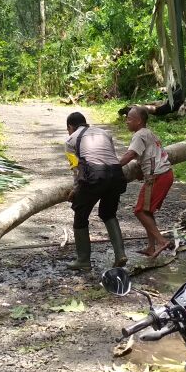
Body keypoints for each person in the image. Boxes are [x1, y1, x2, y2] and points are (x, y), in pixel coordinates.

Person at [64, 112, 128, 270]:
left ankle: (83, 260)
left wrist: (75, 190)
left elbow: (77, 169)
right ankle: (120, 254)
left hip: (95, 175)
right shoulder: (104, 133)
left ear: (70, 127)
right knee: (108, 213)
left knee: (80, 214)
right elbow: (111, 156)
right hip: (116, 174)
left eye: (68, 129)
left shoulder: (71, 139)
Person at [120, 106, 174, 258]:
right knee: (147, 210)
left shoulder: (139, 135)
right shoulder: (148, 132)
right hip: (164, 174)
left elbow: (130, 154)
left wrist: (113, 166)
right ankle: (151, 247)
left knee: (140, 211)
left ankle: (161, 241)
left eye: (129, 119)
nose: (126, 121)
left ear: (138, 121)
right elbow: (147, 157)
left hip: (157, 177)